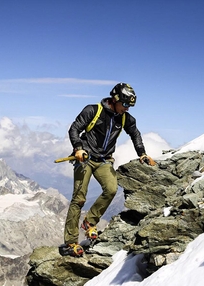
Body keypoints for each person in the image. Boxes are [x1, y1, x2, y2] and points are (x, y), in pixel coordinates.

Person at [59, 82, 155, 257]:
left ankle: (90, 222)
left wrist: (142, 153)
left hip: (104, 161)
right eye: (125, 104)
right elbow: (75, 129)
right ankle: (70, 243)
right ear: (115, 99)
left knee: (111, 189)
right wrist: (78, 148)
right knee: (79, 200)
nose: (127, 109)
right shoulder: (92, 110)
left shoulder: (125, 118)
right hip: (85, 159)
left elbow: (135, 134)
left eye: (130, 106)